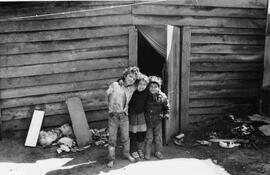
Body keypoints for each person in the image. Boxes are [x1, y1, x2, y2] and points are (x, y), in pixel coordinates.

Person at [106, 66, 140, 168]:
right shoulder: (115, 85)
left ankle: (126, 154)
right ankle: (111, 159)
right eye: (130, 76)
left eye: (134, 78)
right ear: (125, 75)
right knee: (112, 139)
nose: (131, 79)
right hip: (113, 116)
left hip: (124, 116)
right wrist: (110, 108)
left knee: (125, 137)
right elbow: (106, 95)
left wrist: (137, 75)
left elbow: (143, 79)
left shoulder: (132, 88)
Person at [145, 76, 170, 160]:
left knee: (158, 137)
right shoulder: (146, 96)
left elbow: (166, 107)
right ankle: (147, 152)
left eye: (155, 87)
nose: (153, 89)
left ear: (159, 87)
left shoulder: (162, 96)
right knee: (149, 138)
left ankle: (158, 152)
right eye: (151, 87)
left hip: (158, 120)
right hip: (148, 120)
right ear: (148, 87)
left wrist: (166, 114)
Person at [128, 73, 149, 161]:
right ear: (136, 84)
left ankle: (140, 149)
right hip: (133, 115)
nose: (142, 86)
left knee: (141, 133)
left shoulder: (146, 93)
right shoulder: (132, 92)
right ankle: (133, 150)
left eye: (144, 85)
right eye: (140, 84)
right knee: (133, 133)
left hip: (141, 116)